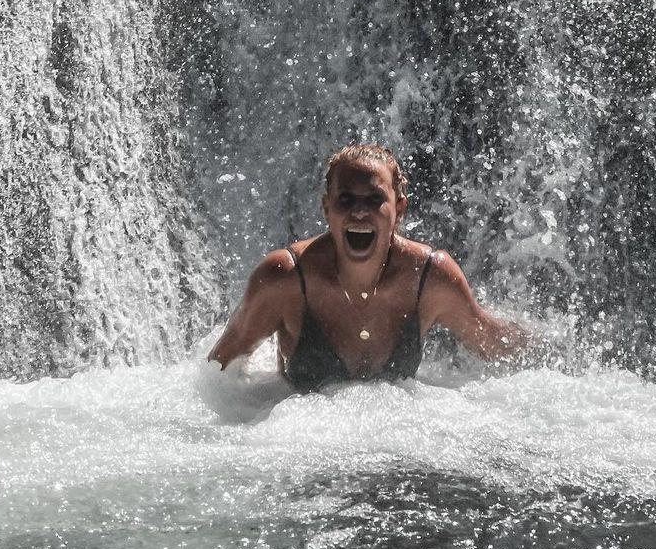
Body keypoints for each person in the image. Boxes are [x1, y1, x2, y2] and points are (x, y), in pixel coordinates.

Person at [208, 142, 532, 391]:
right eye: (346, 200)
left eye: (374, 199)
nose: (359, 213)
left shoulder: (429, 276)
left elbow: (491, 341)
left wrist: (553, 352)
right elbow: (216, 379)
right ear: (326, 207)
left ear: (399, 207)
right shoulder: (286, 278)